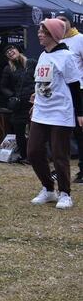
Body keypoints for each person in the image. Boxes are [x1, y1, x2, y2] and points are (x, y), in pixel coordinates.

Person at [27, 19, 81, 210]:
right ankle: (49, 189)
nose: (39, 34)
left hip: (61, 112)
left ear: (54, 35)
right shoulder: (42, 56)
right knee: (33, 151)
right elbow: (42, 83)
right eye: (40, 30)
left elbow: (75, 87)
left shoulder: (66, 57)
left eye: (44, 31)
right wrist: (36, 99)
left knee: (60, 154)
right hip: (41, 112)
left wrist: (80, 113)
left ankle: (65, 193)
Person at [55, 11, 83, 183]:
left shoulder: (79, 39)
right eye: (57, 20)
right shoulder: (56, 41)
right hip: (60, 92)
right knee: (61, 131)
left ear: (71, 23)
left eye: (64, 20)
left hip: (78, 89)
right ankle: (60, 168)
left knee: (80, 132)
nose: (61, 23)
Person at [1, 44, 35, 163]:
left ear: (17, 50)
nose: (10, 52)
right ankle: (24, 155)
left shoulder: (31, 63)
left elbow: (40, 79)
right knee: (19, 131)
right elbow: (3, 87)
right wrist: (12, 96)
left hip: (34, 103)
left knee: (36, 131)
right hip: (19, 104)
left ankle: (36, 156)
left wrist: (37, 93)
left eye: (12, 49)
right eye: (7, 52)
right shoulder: (8, 69)